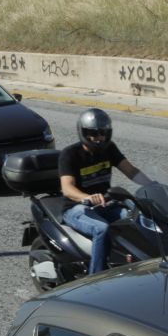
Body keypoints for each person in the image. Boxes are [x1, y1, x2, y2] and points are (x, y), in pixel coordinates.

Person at [59, 108, 153, 275]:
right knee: (101, 229)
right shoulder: (70, 154)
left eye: (103, 133)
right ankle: (95, 278)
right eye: (93, 133)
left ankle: (145, 265)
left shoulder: (109, 149)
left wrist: (153, 186)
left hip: (105, 204)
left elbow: (131, 171)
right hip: (76, 208)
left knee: (139, 219)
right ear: (83, 133)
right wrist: (88, 197)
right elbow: (67, 188)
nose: (98, 138)